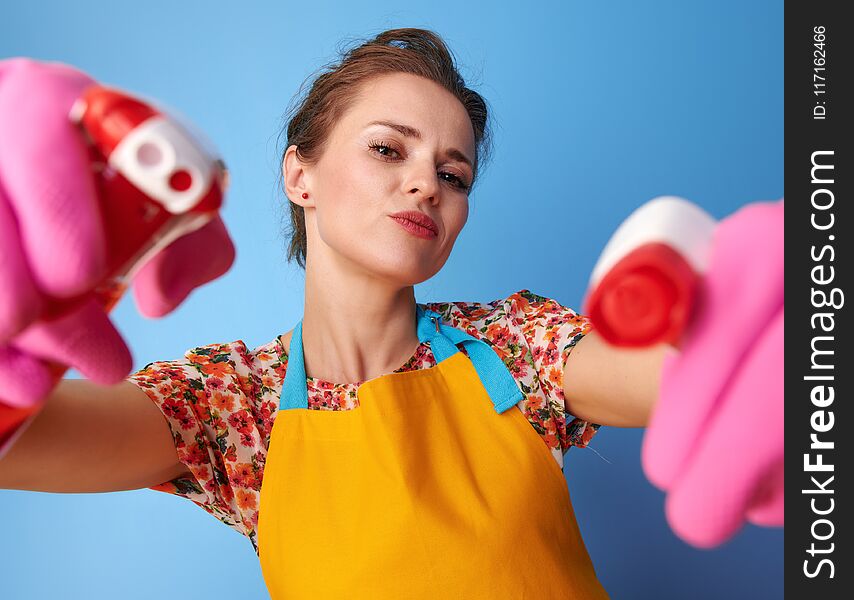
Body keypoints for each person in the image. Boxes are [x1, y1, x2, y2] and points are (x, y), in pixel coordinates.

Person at [0, 28, 782, 599]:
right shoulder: (231, 403)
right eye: (387, 150)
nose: (426, 185)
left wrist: (780, 330)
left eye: (454, 171)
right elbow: (18, 444)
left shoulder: (513, 342)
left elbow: (679, 375)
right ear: (299, 175)